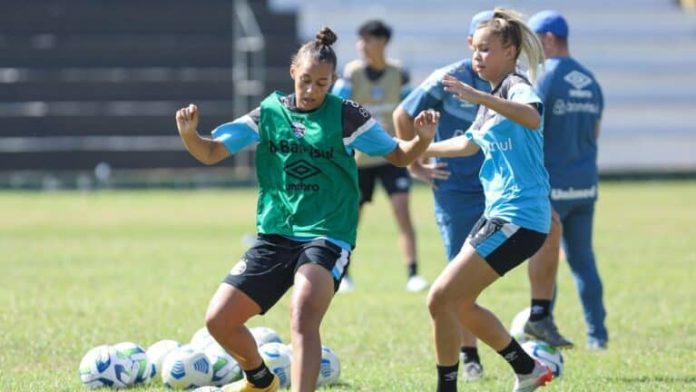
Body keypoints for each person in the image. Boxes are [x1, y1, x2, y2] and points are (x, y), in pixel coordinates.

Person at [175, 27, 438, 392]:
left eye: (322, 83)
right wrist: (190, 135)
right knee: (219, 321)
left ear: (333, 82)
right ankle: (260, 380)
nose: (313, 90)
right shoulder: (267, 113)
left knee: (303, 314)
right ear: (292, 74)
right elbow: (211, 152)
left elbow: (397, 155)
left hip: (327, 235)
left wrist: (421, 141)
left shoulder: (347, 115)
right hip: (276, 235)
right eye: (305, 81)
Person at [394, 9, 570, 383]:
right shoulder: (491, 96)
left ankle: (456, 383)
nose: (477, 57)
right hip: (505, 216)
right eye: (475, 49)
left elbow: (532, 114)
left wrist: (478, 96)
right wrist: (419, 146)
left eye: (486, 49)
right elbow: (468, 144)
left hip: (517, 216)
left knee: (440, 298)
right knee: (456, 303)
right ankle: (527, 369)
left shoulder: (516, 85)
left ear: (510, 51)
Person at [528, 10, 608, 350]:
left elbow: (531, 129)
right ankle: (598, 336)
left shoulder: (544, 79)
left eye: (532, 42)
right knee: (583, 260)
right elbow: (595, 132)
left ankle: (545, 327)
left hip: (552, 187)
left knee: (546, 262)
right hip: (585, 184)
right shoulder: (589, 80)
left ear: (547, 39)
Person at [332, 19, 429, 293]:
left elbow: (410, 112)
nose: (361, 46)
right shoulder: (351, 74)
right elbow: (335, 109)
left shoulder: (400, 74)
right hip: (359, 160)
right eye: (360, 40)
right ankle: (344, 274)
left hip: (392, 155)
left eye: (367, 40)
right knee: (352, 219)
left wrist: (416, 154)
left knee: (402, 212)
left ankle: (413, 274)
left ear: (382, 43)